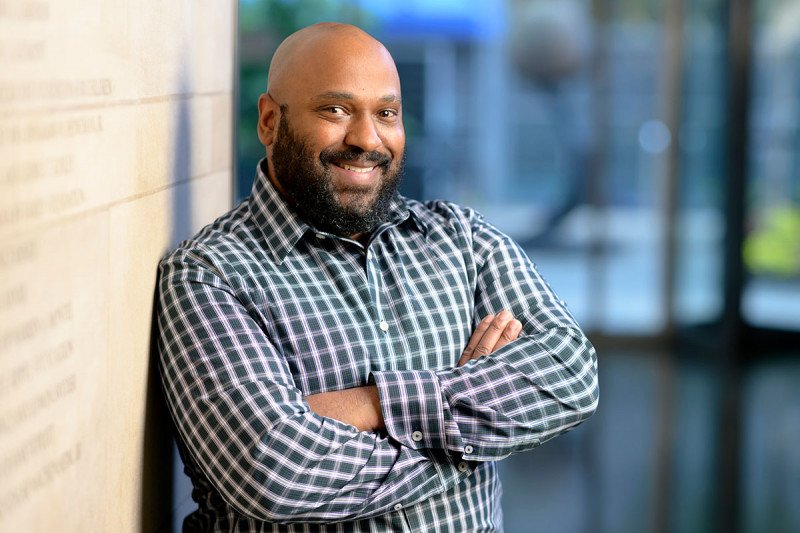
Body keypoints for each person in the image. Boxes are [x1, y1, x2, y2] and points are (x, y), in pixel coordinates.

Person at [157, 22, 598, 532]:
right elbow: (275, 470)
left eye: (386, 113)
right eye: (336, 110)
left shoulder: (462, 238)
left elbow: (570, 374)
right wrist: (474, 422)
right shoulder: (209, 275)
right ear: (271, 121)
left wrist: (370, 405)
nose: (367, 139)